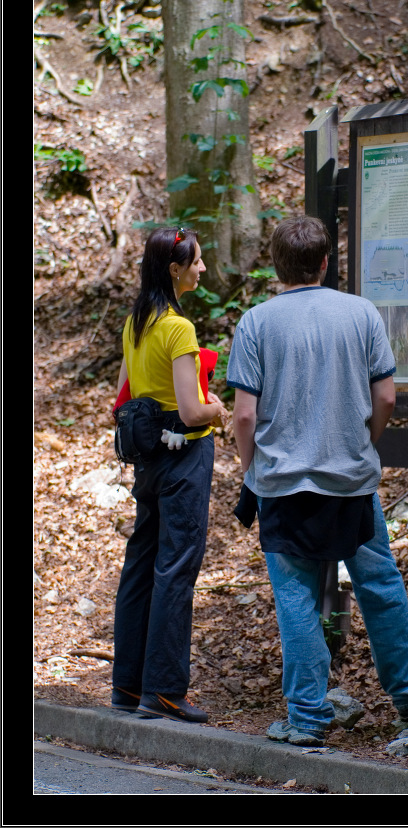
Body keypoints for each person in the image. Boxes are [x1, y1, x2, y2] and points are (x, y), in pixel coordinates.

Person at [227, 215, 408, 746]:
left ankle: (306, 718)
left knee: (296, 596)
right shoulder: (361, 314)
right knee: (379, 583)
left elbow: (243, 416)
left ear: (275, 265)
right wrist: (363, 445)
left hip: (284, 486)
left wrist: (252, 470)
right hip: (352, 481)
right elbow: (388, 398)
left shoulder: (256, 322)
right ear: (326, 262)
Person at [111, 225, 229, 723]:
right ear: (175, 270)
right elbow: (189, 409)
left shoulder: (135, 323)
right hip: (184, 458)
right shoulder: (178, 328)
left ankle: (127, 686)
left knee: (140, 567)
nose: (202, 269)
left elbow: (122, 396)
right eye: (196, 261)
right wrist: (218, 409)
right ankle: (163, 689)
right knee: (176, 568)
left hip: (148, 461)